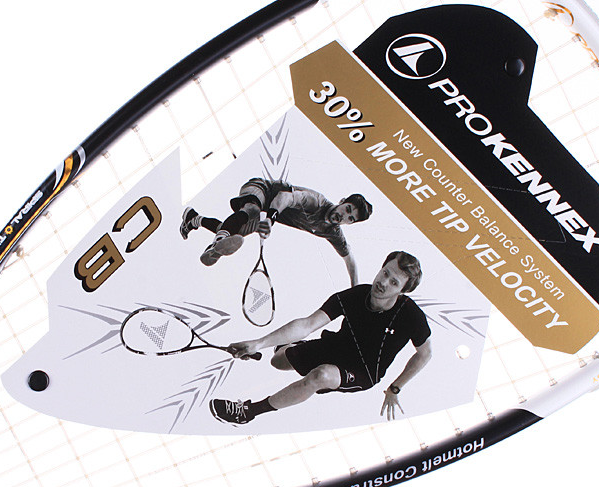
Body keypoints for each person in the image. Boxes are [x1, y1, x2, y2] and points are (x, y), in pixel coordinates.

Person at [209, 251, 431, 425]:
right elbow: (308, 324)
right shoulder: (354, 296)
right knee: (277, 362)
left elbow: (425, 354)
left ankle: (249, 411)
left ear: (402, 290)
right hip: (335, 346)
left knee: (320, 376)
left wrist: (395, 387)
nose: (384, 282)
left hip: (363, 370)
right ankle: (288, 346)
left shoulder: (411, 316)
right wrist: (258, 343)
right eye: (385, 273)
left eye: (394, 282)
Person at [180, 177, 372, 285]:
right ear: (342, 201)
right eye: (347, 209)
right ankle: (216, 244)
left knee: (234, 230)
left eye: (350, 218)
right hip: (262, 189)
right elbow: (284, 197)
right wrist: (270, 219)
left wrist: (354, 291)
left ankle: (194, 218)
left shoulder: (333, 232)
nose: (344, 216)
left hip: (267, 213)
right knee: (252, 211)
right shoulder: (317, 202)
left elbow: (350, 260)